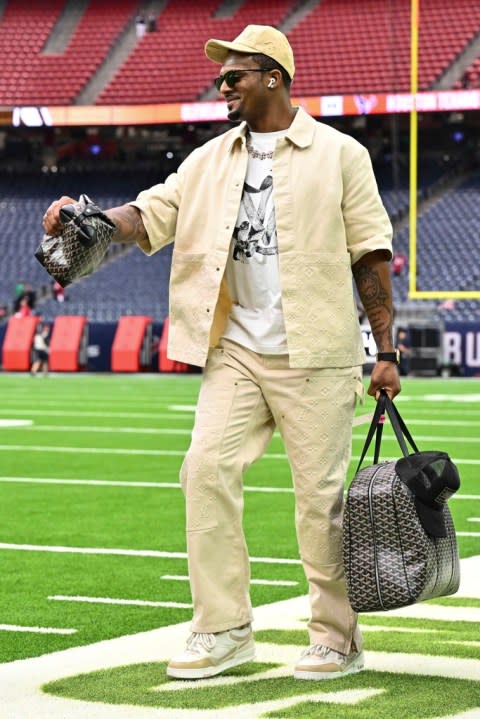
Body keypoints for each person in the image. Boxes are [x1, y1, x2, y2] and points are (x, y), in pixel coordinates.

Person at [42, 24, 401, 682]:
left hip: (316, 350)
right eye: (222, 76)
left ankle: (336, 635)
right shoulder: (209, 161)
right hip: (236, 349)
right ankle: (225, 626)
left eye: (236, 74)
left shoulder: (339, 155)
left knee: (318, 500)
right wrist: (85, 219)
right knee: (203, 469)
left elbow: (371, 256)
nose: (224, 84)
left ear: (274, 76)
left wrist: (387, 350)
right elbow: (148, 213)